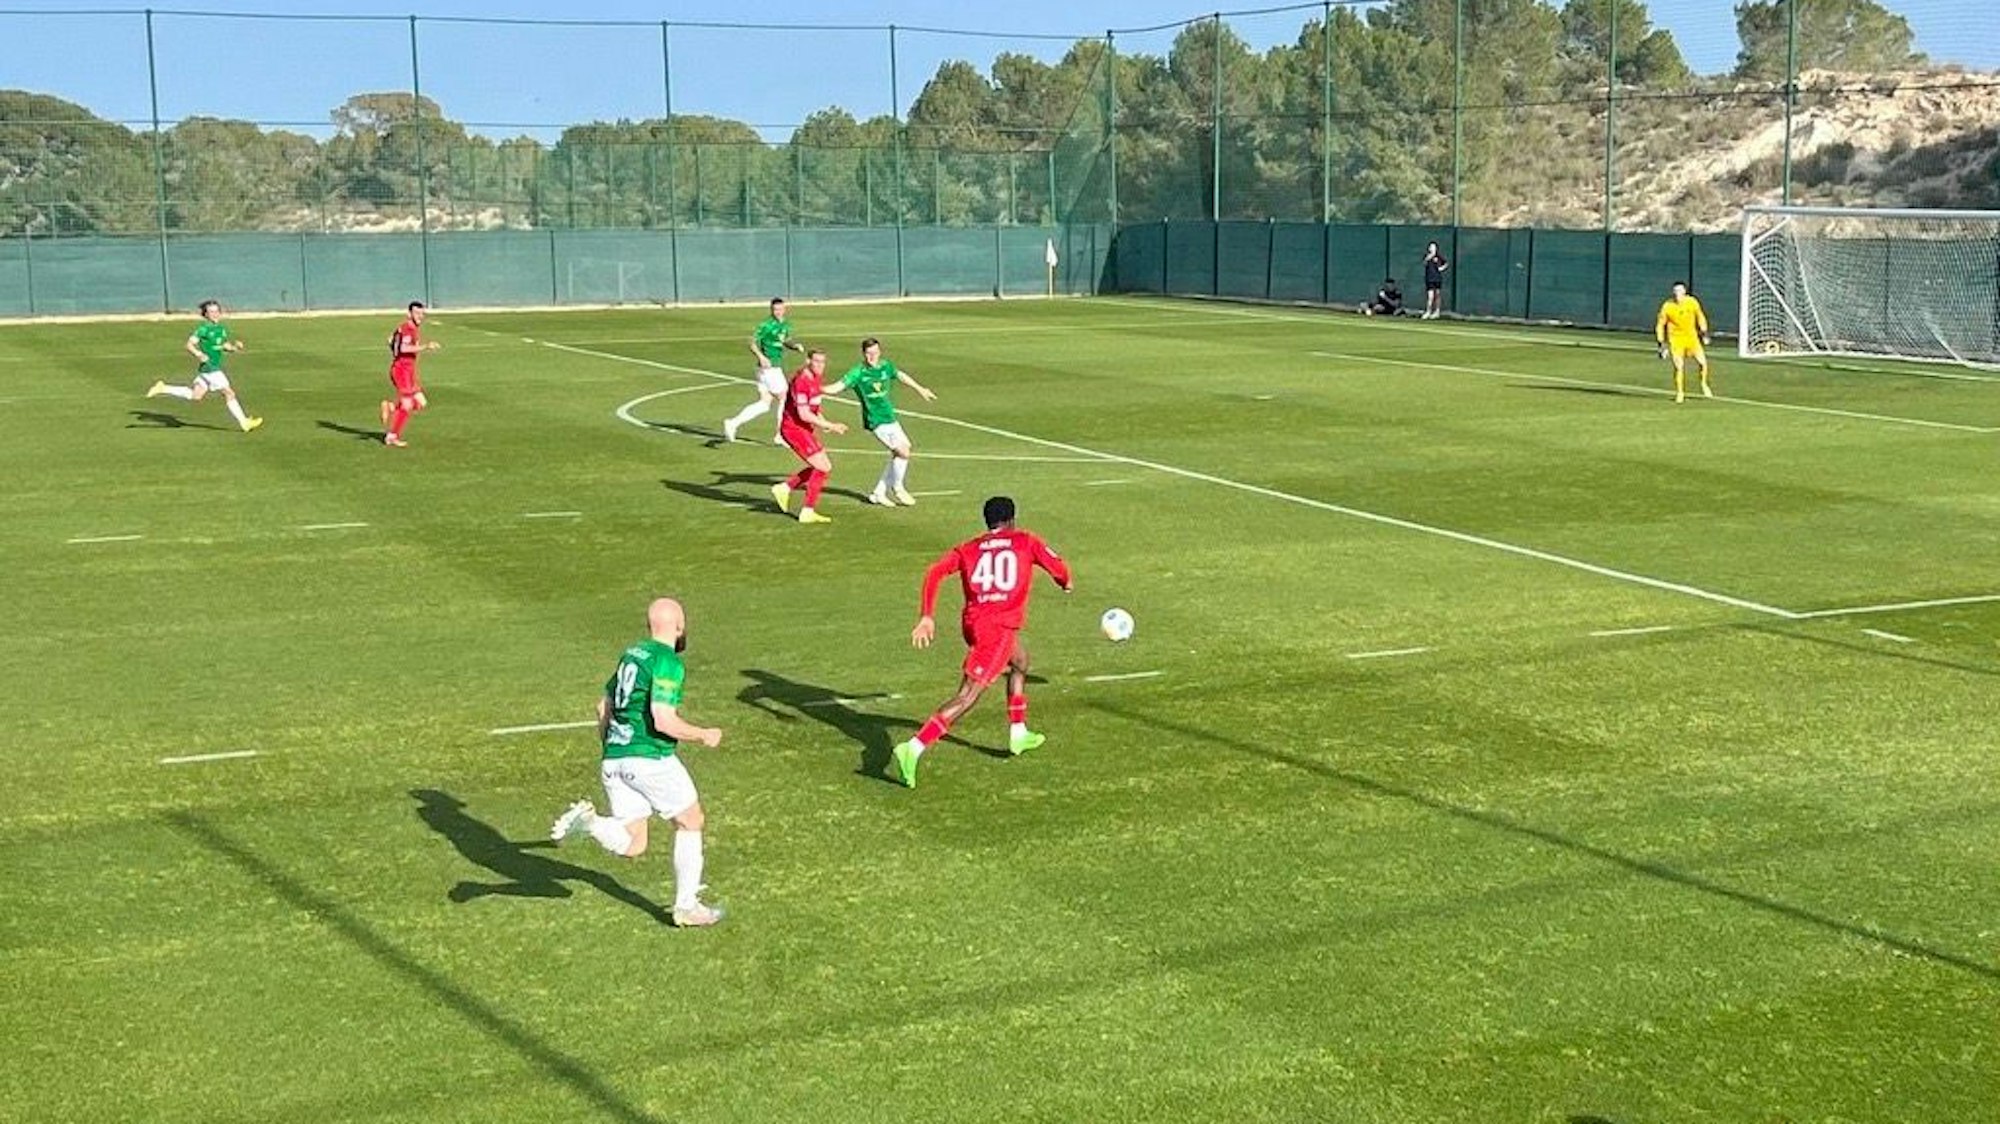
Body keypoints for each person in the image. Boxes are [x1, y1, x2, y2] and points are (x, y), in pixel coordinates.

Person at [549, 597, 726, 928]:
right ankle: (687, 906)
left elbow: (602, 708)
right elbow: (663, 720)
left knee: (633, 843)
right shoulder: (667, 662)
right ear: (680, 625)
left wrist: (612, 749)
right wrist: (704, 734)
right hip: (650, 759)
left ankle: (591, 823)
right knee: (691, 820)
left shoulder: (632, 654)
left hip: (615, 760)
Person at [889, 496, 1073, 789]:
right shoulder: (1025, 541)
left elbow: (934, 571)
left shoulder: (969, 548)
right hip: (996, 630)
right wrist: (1065, 583)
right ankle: (913, 748)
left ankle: (1018, 732)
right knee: (967, 695)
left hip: (974, 622)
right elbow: (1059, 568)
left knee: (1020, 662)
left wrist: (927, 616)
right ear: (1012, 520)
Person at [824, 337, 936, 507]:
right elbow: (837, 387)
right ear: (863, 354)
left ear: (879, 352)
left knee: (902, 451)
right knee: (903, 452)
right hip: (875, 420)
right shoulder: (858, 372)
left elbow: (900, 375)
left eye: (875, 353)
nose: (872, 357)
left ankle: (878, 493)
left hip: (890, 417)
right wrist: (813, 387)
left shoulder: (885, 366)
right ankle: (898, 488)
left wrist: (920, 389)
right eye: (869, 354)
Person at [145, 299, 263, 432]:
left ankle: (163, 388)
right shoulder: (203, 329)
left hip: (207, 369)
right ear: (205, 314)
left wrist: (235, 347)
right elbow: (189, 345)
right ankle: (244, 422)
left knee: (196, 396)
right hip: (211, 368)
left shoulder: (221, 329)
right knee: (229, 393)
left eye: (216, 311)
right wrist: (198, 354)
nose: (214, 314)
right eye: (211, 312)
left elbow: (223, 345)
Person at [769, 348, 849, 524]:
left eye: (823, 362)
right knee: (823, 467)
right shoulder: (801, 382)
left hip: (804, 429)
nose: (820, 365)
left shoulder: (816, 378)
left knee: (822, 466)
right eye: (817, 361)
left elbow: (814, 408)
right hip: (794, 430)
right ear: (808, 361)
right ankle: (806, 510)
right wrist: (831, 426)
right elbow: (804, 414)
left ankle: (785, 488)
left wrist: (824, 421)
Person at [723, 297, 807, 444]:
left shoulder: (785, 325)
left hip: (770, 368)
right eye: (775, 310)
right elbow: (751, 342)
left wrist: (795, 346)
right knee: (785, 398)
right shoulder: (766, 325)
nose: (778, 312)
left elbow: (785, 340)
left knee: (764, 404)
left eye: (780, 309)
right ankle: (780, 435)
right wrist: (761, 356)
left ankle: (732, 423)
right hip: (769, 368)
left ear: (785, 309)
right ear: (771, 310)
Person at [379, 300, 441, 448]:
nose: (420, 316)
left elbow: (390, 341)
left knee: (421, 402)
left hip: (408, 372)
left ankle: (391, 407)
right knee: (406, 405)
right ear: (409, 314)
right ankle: (392, 436)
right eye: (417, 313)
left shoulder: (406, 328)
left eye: (422, 313)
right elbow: (404, 348)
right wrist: (425, 346)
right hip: (402, 371)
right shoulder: (408, 328)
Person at [1655, 281, 1713, 404]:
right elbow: (1660, 325)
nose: (1677, 294)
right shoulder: (1667, 306)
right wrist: (1661, 344)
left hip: (1692, 338)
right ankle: (1680, 392)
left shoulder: (1692, 302)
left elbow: (1700, 316)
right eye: (1675, 291)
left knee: (1702, 363)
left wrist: (1704, 333)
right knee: (1679, 366)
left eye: (1680, 291)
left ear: (1684, 292)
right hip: (1676, 340)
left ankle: (1703, 383)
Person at [1421, 242, 1449, 319]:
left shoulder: (1439, 256)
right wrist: (1431, 256)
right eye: (1431, 247)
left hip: (1437, 278)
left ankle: (1437, 312)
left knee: (1437, 295)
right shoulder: (1427, 256)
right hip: (1429, 278)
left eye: (1434, 247)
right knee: (1430, 296)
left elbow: (1446, 263)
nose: (1433, 248)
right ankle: (1428, 311)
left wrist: (1441, 268)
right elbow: (1424, 262)